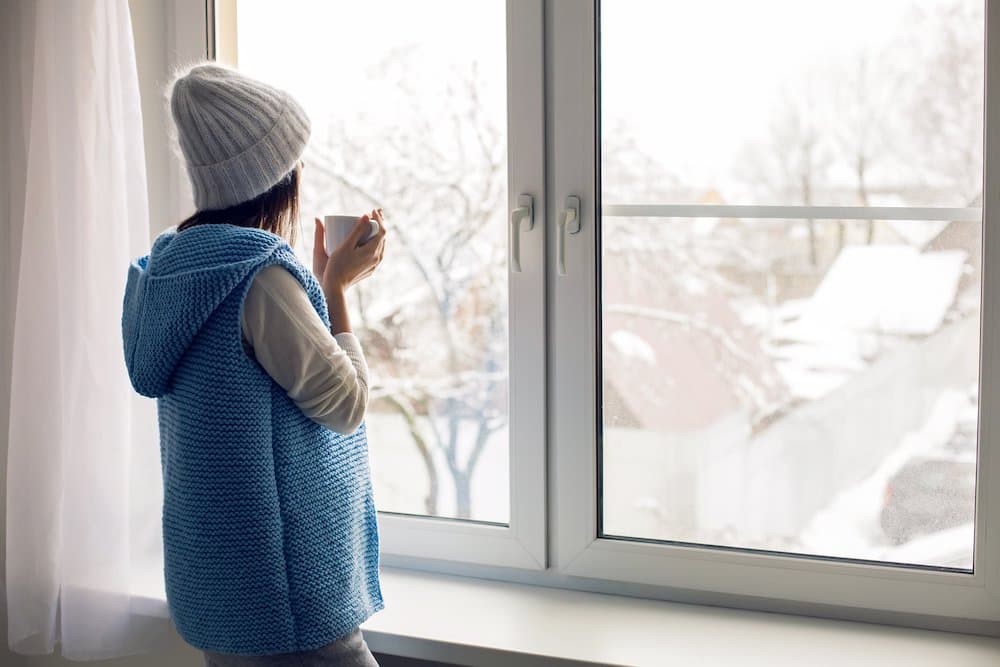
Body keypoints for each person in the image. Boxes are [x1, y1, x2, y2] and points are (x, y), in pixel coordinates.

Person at [121, 62, 386, 666]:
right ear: (271, 177)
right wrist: (337, 288)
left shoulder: (171, 269)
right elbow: (345, 406)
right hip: (289, 594)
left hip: (223, 590)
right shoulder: (258, 277)